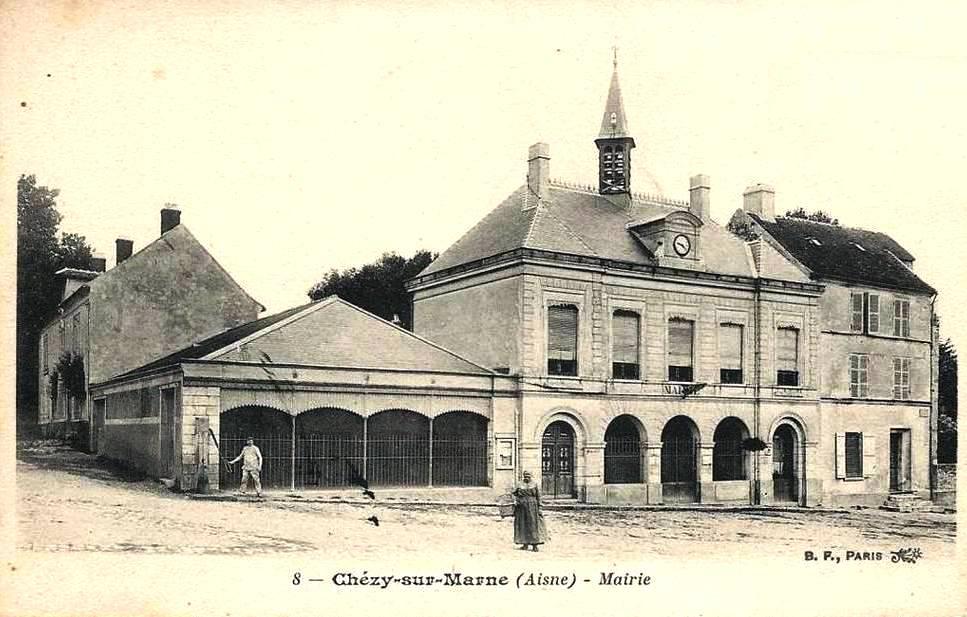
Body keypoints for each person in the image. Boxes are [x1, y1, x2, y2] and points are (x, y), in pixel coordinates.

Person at [512, 471, 547, 551]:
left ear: (531, 476)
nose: (527, 477)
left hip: (533, 507)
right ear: (523, 476)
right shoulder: (519, 484)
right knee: (523, 525)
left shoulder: (535, 484)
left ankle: (535, 545)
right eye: (525, 476)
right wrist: (515, 500)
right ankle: (525, 544)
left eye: (528, 476)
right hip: (521, 507)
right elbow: (514, 494)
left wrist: (540, 507)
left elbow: (539, 496)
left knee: (533, 525)